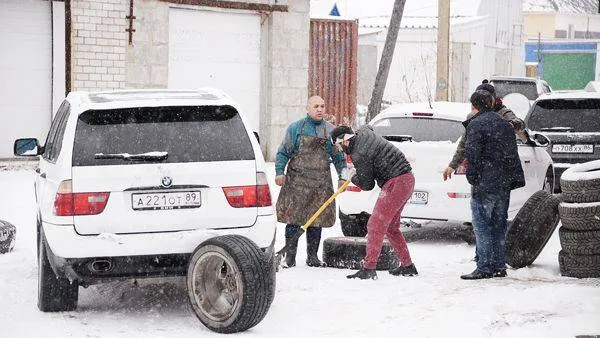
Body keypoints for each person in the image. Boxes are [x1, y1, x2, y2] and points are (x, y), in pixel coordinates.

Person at [330, 125, 417, 280]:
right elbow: (368, 126)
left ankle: (369, 268)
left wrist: (351, 175)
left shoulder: (359, 154)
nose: (340, 150)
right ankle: (407, 265)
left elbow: (367, 184)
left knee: (375, 225)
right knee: (390, 227)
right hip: (406, 179)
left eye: (338, 146)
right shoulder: (363, 132)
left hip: (395, 183)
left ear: (345, 141)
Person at [275, 95, 347, 268]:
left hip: (320, 184)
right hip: (296, 182)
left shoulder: (330, 131)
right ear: (308, 108)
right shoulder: (296, 128)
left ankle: (312, 257)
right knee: (294, 219)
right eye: (316, 106)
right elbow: (283, 152)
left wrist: (342, 176)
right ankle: (289, 258)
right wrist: (279, 172)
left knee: (317, 219)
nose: (320, 109)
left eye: (322, 106)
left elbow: (339, 157)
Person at [460, 90, 525, 280]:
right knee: (498, 225)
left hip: (484, 183)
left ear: (474, 106)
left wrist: (473, 177)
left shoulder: (476, 124)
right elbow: (512, 154)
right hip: (503, 184)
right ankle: (498, 265)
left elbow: (472, 154)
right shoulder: (504, 124)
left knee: (482, 225)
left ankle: (484, 267)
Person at [443, 79, 526, 181]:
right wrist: (453, 165)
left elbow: (519, 124)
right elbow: (465, 143)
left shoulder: (503, 113)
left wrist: (513, 124)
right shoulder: (474, 117)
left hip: (499, 172)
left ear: (493, 98)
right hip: (479, 173)